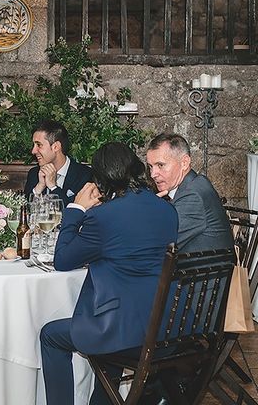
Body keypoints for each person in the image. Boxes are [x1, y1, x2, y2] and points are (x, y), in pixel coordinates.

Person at [40, 142, 178, 405]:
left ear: (101, 178)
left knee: (50, 335)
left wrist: (76, 210)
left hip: (125, 331)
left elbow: (63, 259)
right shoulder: (167, 209)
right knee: (111, 326)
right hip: (166, 326)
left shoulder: (104, 217)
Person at [146, 132, 233, 253]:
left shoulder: (193, 195)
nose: (153, 174)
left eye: (160, 165)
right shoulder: (192, 185)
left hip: (199, 271)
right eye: (150, 166)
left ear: (184, 163)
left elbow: (157, 243)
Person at [24, 119, 92, 206]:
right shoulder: (34, 174)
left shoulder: (84, 175)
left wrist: (53, 187)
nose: (33, 151)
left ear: (56, 146)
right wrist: (39, 188)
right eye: (33, 145)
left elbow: (74, 214)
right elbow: (24, 212)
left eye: (39, 145)